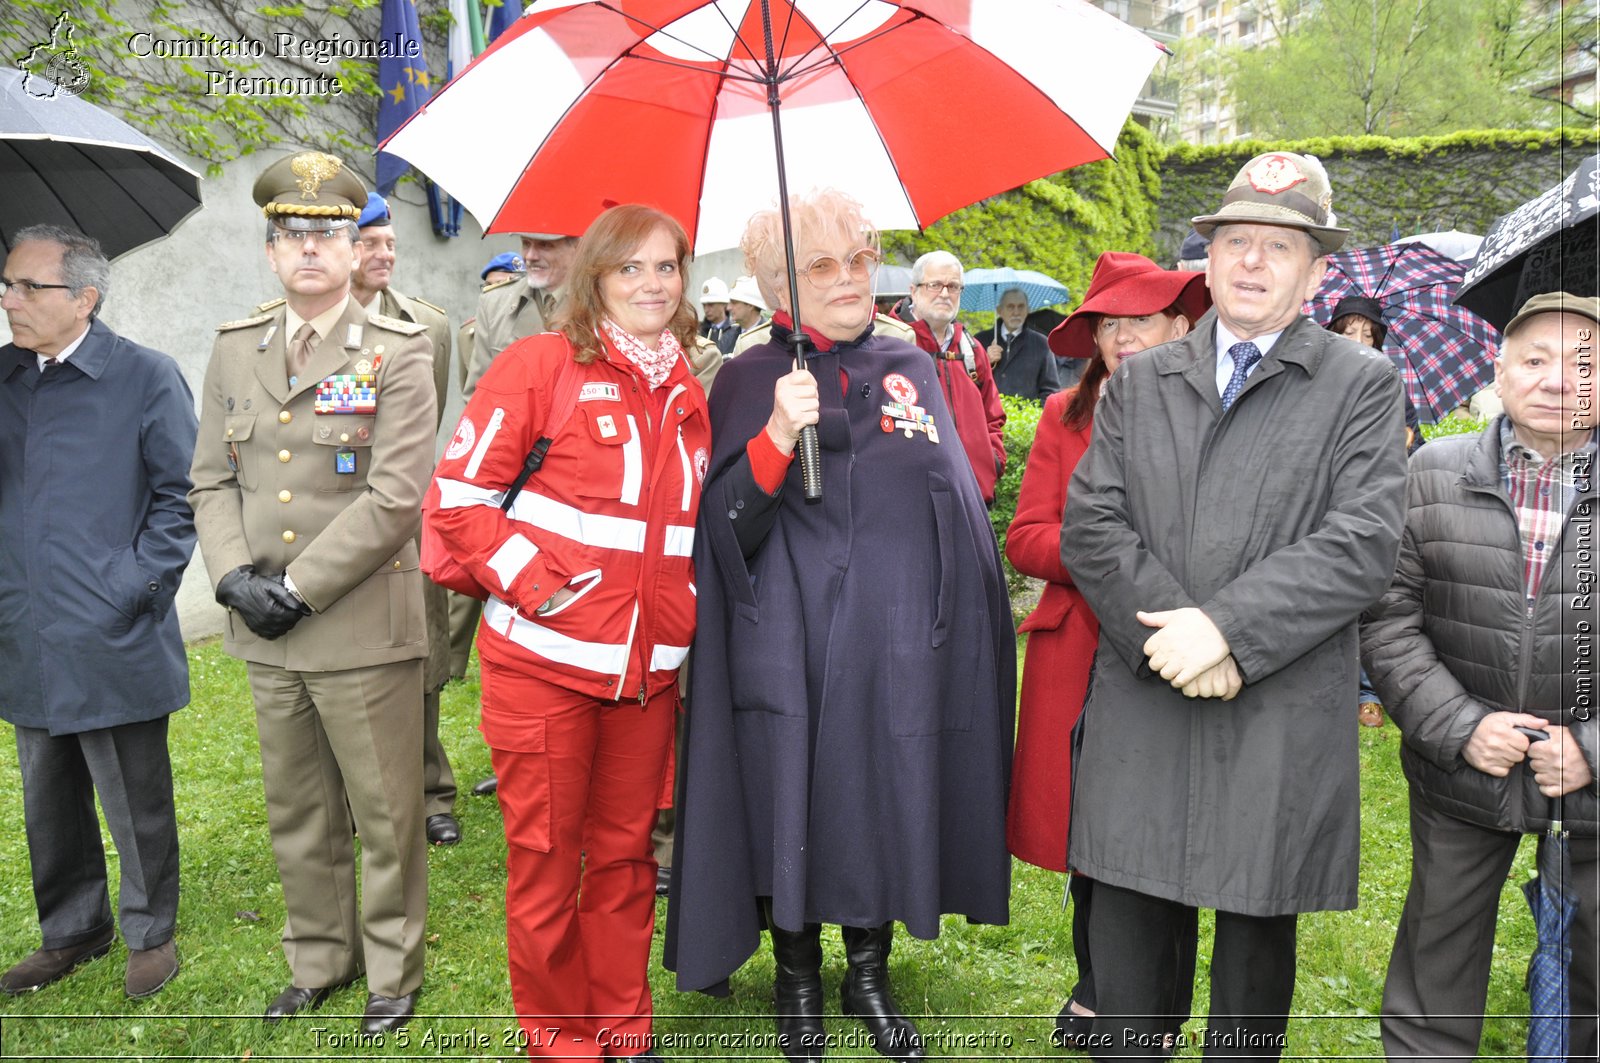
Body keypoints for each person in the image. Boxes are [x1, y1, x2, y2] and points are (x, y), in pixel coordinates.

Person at [1061, 151, 1408, 1060]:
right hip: (1148, 695)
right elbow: (1094, 526)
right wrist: (1175, 634)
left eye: (1280, 247)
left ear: (1317, 271)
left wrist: (1227, 631)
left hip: (1275, 704)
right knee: (1130, 943)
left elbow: (1362, 541)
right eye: (1237, 243)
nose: (1253, 263)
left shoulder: (1362, 386)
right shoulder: (1142, 381)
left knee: (1253, 966)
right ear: (1207, 261)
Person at [665, 189, 1016, 1063]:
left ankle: (868, 969)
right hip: (789, 640)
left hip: (899, 638)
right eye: (823, 265)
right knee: (793, 789)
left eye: (861, 259)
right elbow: (724, 527)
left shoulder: (913, 365)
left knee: (888, 783)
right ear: (780, 284)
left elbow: (958, 498)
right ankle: (798, 977)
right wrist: (778, 434)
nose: (852, 279)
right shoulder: (749, 376)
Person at [428, 203, 709, 1062]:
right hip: (543, 669)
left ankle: (625, 1028)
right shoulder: (537, 364)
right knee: (547, 865)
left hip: (645, 679)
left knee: (626, 863)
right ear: (595, 278)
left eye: (666, 267)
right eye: (631, 269)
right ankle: (558, 1041)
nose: (652, 285)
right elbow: (457, 502)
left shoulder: (688, 390)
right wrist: (545, 588)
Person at [189, 152, 436, 1033]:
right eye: (291, 235)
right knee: (297, 805)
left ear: (354, 245)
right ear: (269, 250)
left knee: (384, 807)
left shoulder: (399, 353)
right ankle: (321, 957)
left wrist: (296, 585)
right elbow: (210, 482)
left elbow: (397, 496)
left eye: (326, 234)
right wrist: (228, 578)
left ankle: (394, 970)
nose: (308, 250)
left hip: (361, 622)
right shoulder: (232, 349)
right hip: (265, 627)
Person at [1362, 291, 1597, 1062]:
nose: (1557, 380)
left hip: (1591, 780)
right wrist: (1463, 727)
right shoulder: (1430, 472)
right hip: (1461, 773)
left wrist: (1592, 746)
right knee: (1438, 957)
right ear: (1498, 370)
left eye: (1581, 363)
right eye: (1534, 360)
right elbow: (1388, 618)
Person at [1008, 251, 1209, 1050]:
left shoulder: (1211, 417)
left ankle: (1156, 1003)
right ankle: (1098, 986)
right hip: (1082, 660)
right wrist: (1104, 553)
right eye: (1109, 325)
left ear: (1181, 325)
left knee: (1172, 833)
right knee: (1093, 834)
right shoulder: (1064, 415)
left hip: (1173, 655)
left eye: (1141, 321)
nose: (1123, 338)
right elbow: (1026, 536)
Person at [0, 224, 197, 1000]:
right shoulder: (6, 380)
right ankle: (73, 928)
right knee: (47, 794)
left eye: (26, 286)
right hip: (26, 628)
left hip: (114, 626)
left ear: (84, 297)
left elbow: (181, 498)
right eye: (6, 284)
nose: (9, 299)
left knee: (132, 793)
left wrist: (133, 588)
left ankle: (151, 931)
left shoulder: (145, 376)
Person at [349, 191, 460, 845]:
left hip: (405, 512)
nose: (384, 253)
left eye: (390, 242)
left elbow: (422, 419)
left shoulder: (429, 327)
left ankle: (430, 789)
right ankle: (361, 791)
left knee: (419, 645)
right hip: (331, 516)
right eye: (370, 242)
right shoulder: (307, 324)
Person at [1322, 293, 1424, 730]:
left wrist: (1397, 443)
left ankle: (1367, 692)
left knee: (1371, 595)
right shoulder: (1315, 381)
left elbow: (1410, 441)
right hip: (1322, 504)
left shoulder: (1389, 383)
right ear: (1332, 334)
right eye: (1349, 332)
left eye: (1369, 334)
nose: (1360, 340)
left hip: (1374, 502)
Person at [903, 250, 1007, 505]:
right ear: (913, 290)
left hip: (973, 496)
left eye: (953, 286)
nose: (945, 293)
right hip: (912, 501)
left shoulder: (971, 349)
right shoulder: (892, 344)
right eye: (934, 285)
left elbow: (993, 416)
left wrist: (992, 461)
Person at [465, 231, 578, 396]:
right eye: (526, 243)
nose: (530, 256)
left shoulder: (602, 303)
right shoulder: (493, 304)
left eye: (545, 245)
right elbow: (478, 395)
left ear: (577, 248)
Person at [976, 287, 1063, 398]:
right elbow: (968, 383)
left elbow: (1051, 391)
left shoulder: (1041, 344)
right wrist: (985, 362)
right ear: (999, 310)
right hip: (988, 414)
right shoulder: (980, 341)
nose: (1016, 312)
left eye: (1021, 307)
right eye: (1010, 307)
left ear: (1028, 310)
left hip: (1027, 414)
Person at [699, 276, 739, 353]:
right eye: (704, 305)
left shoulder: (736, 331)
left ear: (724, 304)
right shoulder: (698, 330)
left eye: (711, 305)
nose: (706, 310)